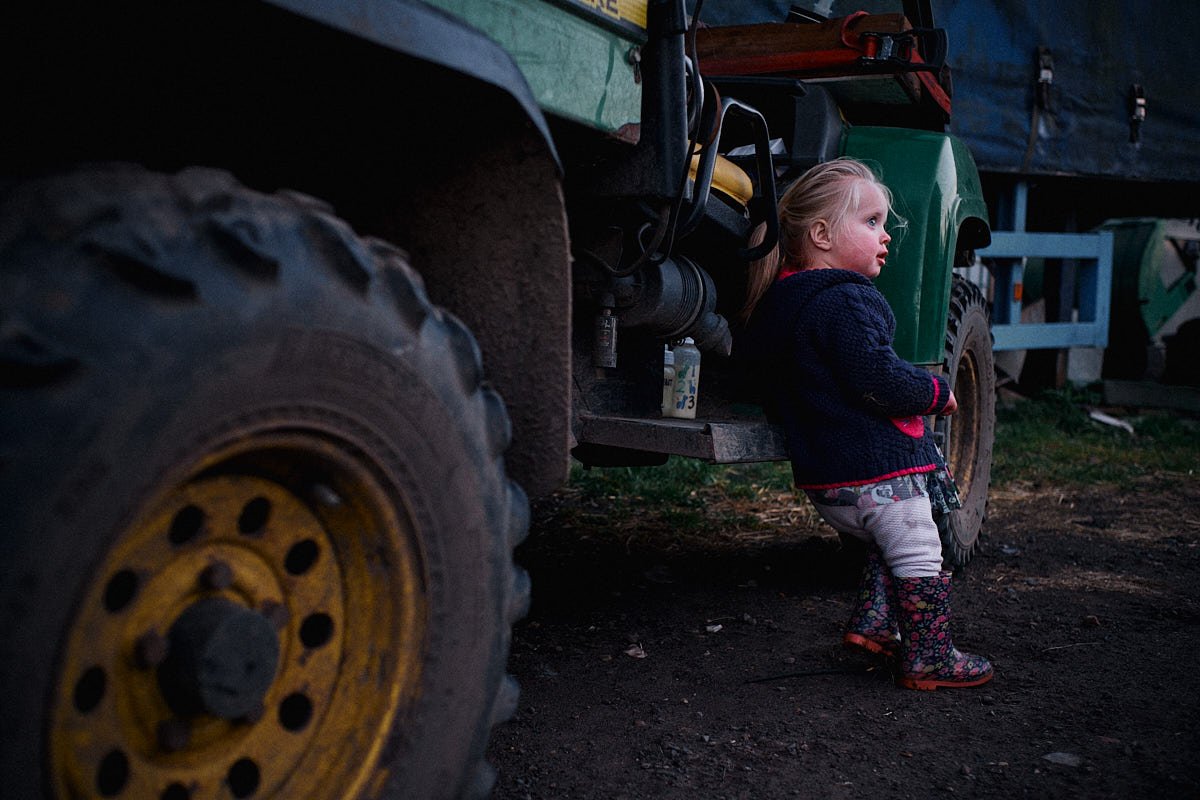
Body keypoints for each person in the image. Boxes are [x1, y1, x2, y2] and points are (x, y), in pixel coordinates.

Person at [735, 157, 992, 690]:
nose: (885, 236)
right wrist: (935, 391)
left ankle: (875, 623)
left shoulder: (780, 302)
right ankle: (929, 656)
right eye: (871, 222)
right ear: (823, 234)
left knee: (884, 544)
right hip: (877, 475)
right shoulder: (846, 299)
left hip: (827, 480)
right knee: (920, 547)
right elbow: (878, 378)